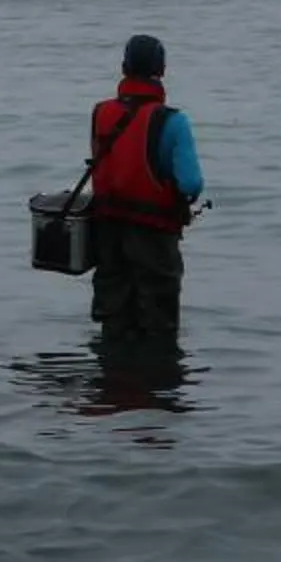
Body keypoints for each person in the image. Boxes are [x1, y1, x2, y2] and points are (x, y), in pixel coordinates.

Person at [85, 34, 204, 348]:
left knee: (114, 320)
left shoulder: (100, 113)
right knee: (158, 326)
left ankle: (114, 389)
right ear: (161, 70)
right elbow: (191, 184)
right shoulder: (173, 122)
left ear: (124, 67)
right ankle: (155, 387)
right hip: (154, 238)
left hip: (107, 234)